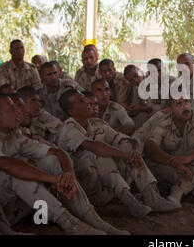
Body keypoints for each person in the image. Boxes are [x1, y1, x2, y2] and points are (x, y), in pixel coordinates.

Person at [0, 93, 128, 235]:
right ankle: (72, 225)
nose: (18, 112)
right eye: (11, 109)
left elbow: (57, 152)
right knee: (15, 173)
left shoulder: (13, 135)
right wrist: (54, 180)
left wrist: (68, 175)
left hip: (15, 204)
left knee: (51, 160)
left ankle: (93, 219)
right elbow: (10, 165)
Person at [57, 89, 180, 218]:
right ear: (72, 111)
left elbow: (131, 140)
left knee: (126, 146)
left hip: (107, 184)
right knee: (97, 154)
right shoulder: (69, 129)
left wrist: (134, 152)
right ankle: (129, 201)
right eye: (81, 101)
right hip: (86, 189)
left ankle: (151, 196)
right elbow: (96, 147)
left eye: (85, 98)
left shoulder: (97, 124)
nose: (87, 101)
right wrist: (125, 156)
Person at [144, 97, 194, 205]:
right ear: (170, 110)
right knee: (148, 159)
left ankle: (178, 191)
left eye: (187, 102)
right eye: (179, 104)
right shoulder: (163, 122)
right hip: (176, 170)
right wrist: (173, 161)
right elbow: (150, 146)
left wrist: (188, 158)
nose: (185, 107)